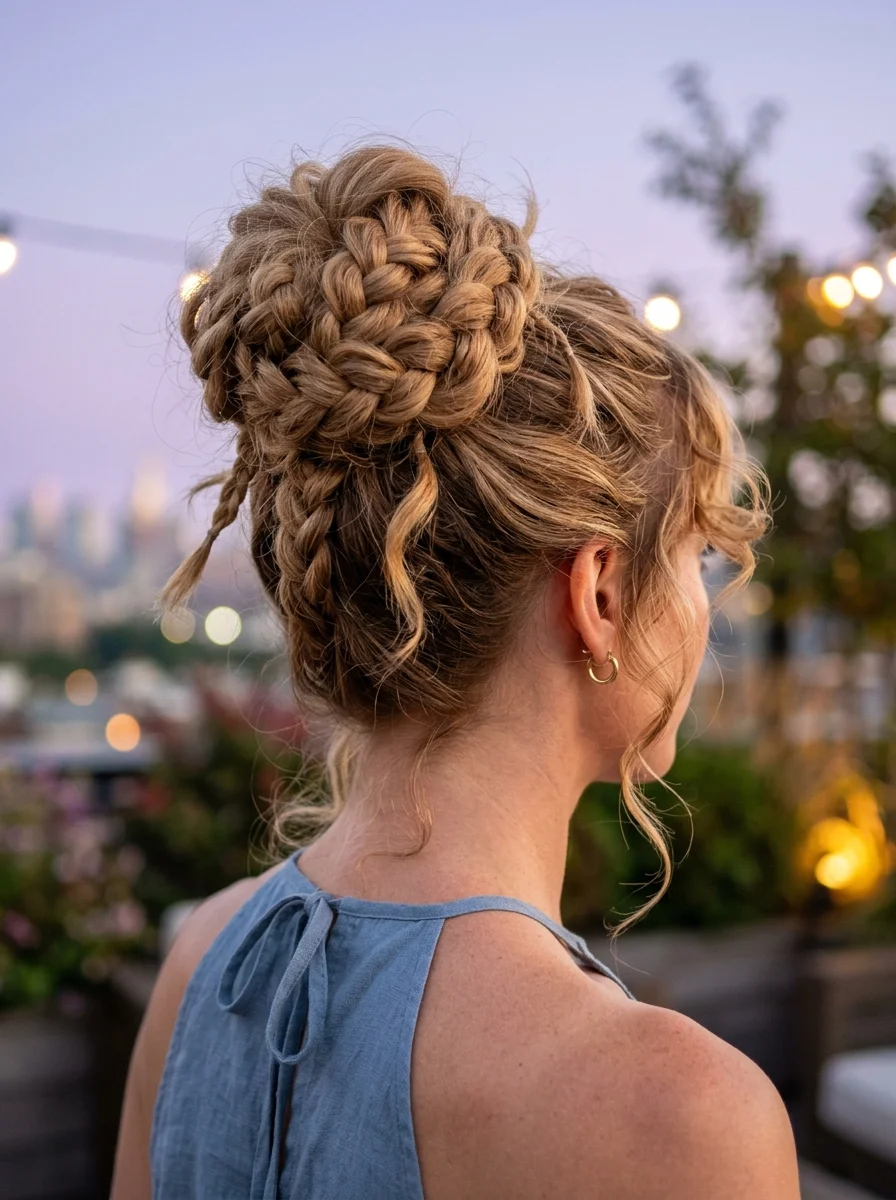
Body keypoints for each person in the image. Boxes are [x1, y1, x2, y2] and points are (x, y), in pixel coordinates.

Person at [111, 144, 801, 1199]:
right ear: (600, 592)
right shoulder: (681, 1118)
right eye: (695, 555)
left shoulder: (204, 966)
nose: (706, 608)